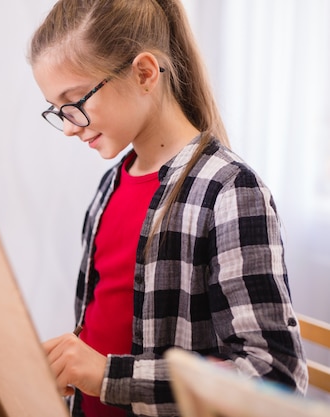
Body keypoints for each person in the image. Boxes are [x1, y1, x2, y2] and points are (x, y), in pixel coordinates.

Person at [27, 1, 308, 416]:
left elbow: (275, 378)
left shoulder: (230, 190)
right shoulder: (111, 185)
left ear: (144, 73)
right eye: (57, 109)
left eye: (75, 102)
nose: (69, 126)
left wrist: (108, 376)